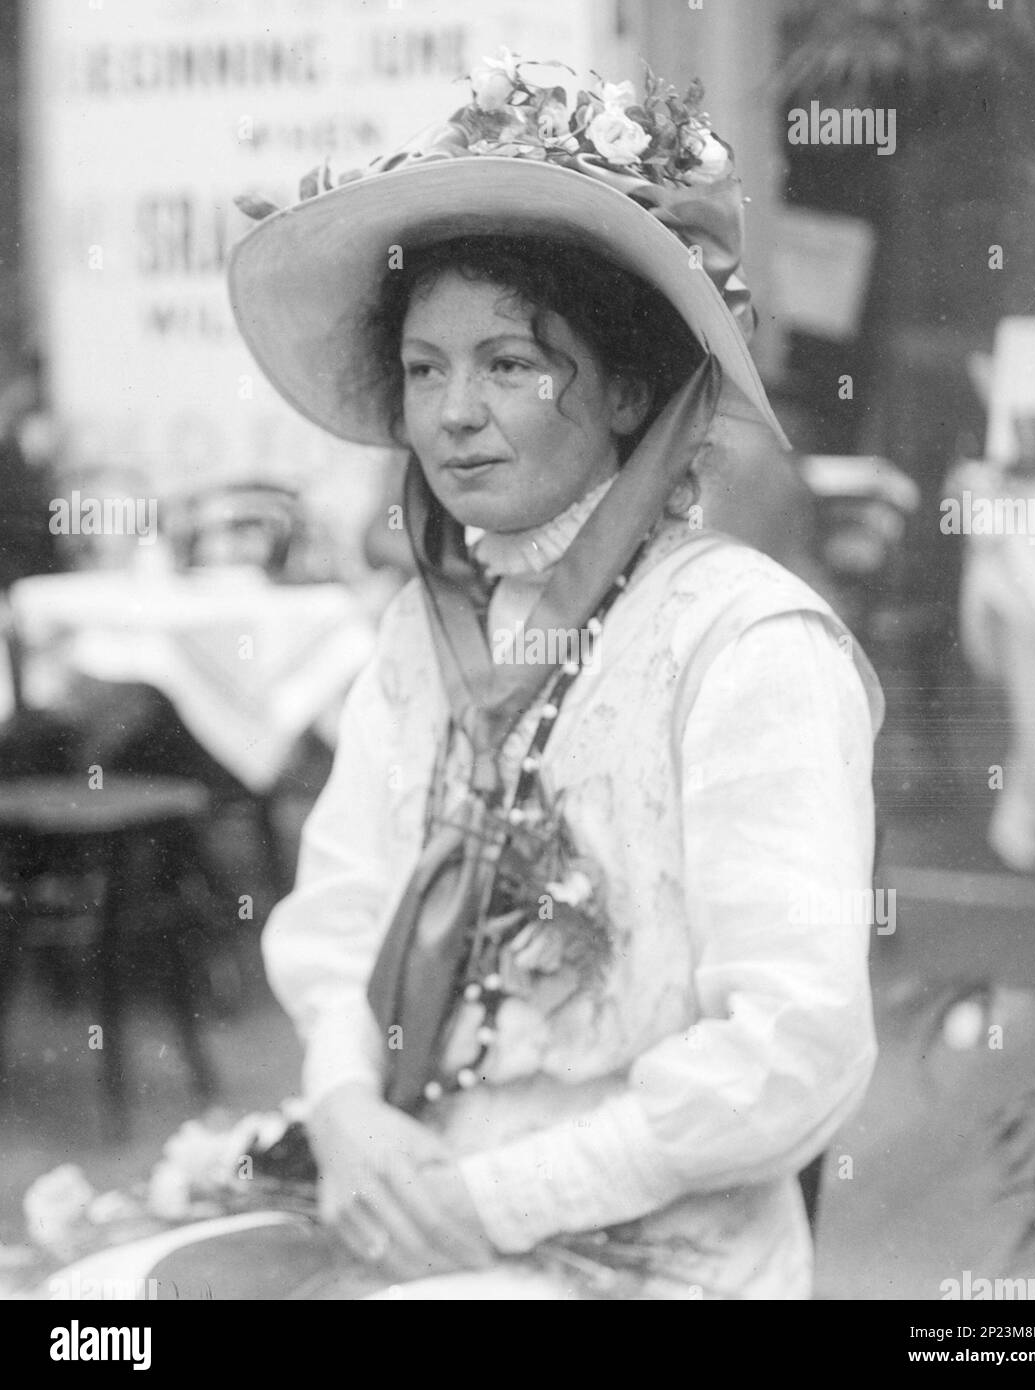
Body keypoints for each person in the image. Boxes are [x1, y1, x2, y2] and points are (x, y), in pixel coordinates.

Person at [32, 58, 883, 1302]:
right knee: (84, 1318)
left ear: (632, 387)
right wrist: (347, 1108)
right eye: (425, 369)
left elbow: (794, 1048)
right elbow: (340, 911)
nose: (453, 415)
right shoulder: (422, 634)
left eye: (509, 364)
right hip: (402, 1189)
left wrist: (493, 1199)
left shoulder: (745, 644)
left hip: (637, 1245)